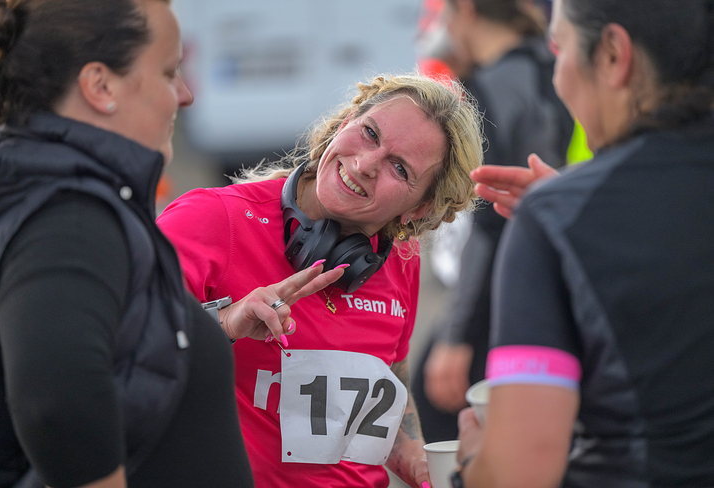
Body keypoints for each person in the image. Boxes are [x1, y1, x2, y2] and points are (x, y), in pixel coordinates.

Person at [0, 1, 344, 487]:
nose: (186, 94)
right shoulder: (69, 218)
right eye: (169, 71)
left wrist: (222, 326)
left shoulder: (71, 195)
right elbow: (56, 405)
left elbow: (120, 355)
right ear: (100, 86)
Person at [156, 73, 484, 488]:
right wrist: (226, 324)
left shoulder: (401, 262)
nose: (365, 164)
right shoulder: (212, 220)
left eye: (399, 168)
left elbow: (385, 387)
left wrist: (419, 460)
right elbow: (123, 352)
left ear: (418, 209)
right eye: (368, 133)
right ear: (344, 121)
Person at [455, 0, 714, 486]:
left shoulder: (556, 222)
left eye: (561, 47)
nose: (558, 76)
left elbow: (518, 474)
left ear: (614, 54)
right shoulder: (566, 218)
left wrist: (473, 461)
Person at [412, 0, 573, 443]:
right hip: (562, 276)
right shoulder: (558, 66)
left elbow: (489, 218)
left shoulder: (492, 83)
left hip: (502, 290)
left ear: (464, 9)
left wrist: (455, 335)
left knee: (441, 410)